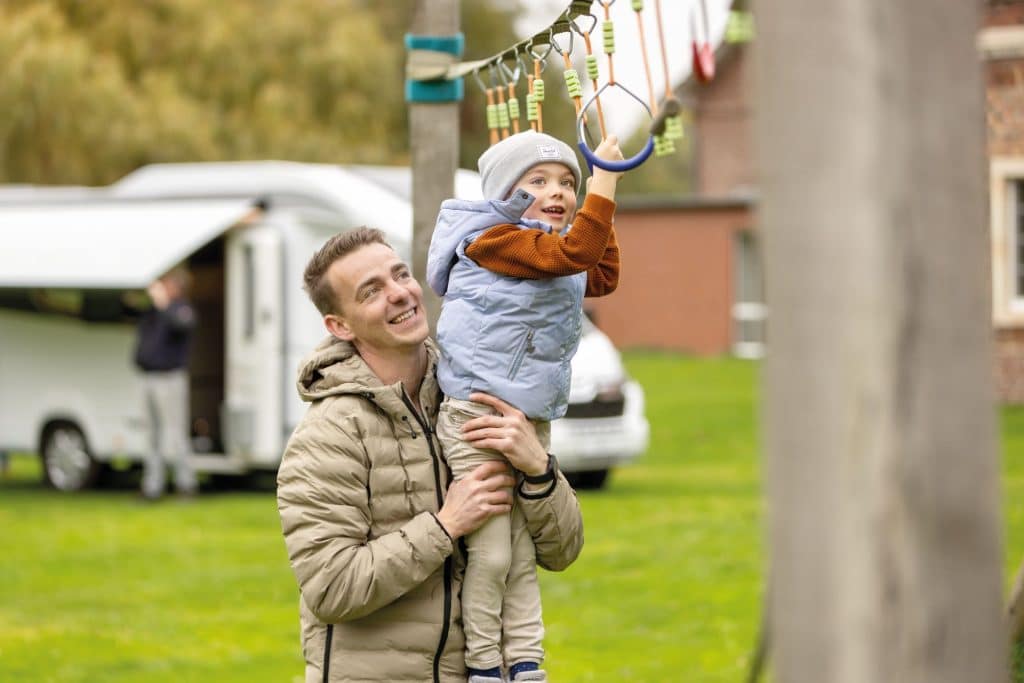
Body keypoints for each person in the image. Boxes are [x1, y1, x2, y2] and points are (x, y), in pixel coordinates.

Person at [277, 227, 584, 683]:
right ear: (339, 326)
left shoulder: (476, 394)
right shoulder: (328, 434)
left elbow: (562, 551)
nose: (400, 294)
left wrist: (537, 468)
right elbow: (332, 588)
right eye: (372, 291)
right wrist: (446, 525)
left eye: (401, 275)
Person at [426, 130, 624, 683]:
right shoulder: (493, 240)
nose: (557, 191)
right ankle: (485, 663)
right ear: (504, 193)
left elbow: (602, 273)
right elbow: (579, 253)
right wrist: (602, 183)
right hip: (478, 419)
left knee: (519, 554)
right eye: (538, 181)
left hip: (527, 420)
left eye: (568, 182)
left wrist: (600, 206)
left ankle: (527, 662)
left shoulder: (550, 250)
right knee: (490, 555)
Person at [133, 267, 198, 500]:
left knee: (175, 432)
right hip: (147, 377)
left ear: (177, 287)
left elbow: (181, 326)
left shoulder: (182, 309)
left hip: (170, 378)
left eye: (167, 284)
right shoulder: (153, 311)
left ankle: (186, 484)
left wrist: (163, 304)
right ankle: (153, 486)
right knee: (151, 434)